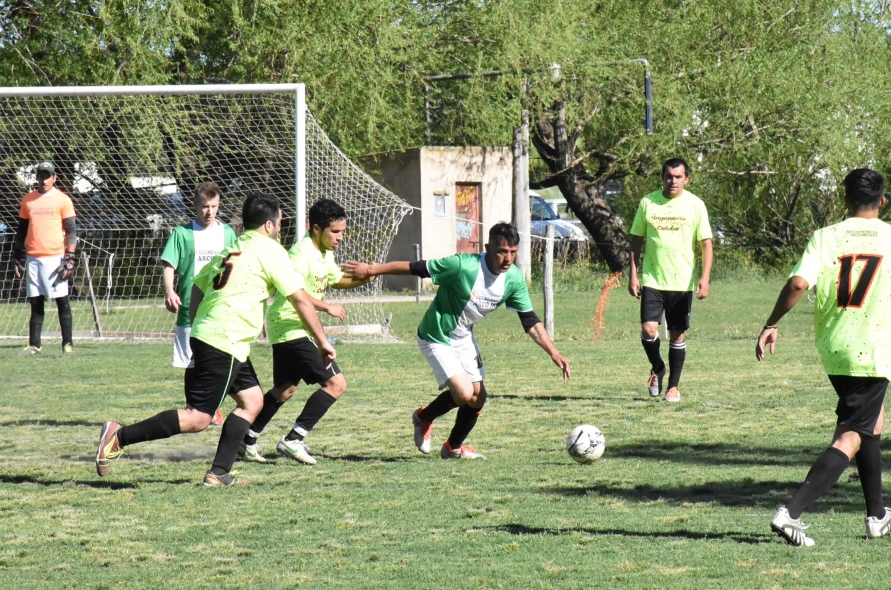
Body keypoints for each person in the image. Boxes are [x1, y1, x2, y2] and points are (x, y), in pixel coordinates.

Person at [95, 193, 335, 486]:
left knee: (252, 400)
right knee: (198, 418)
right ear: (270, 226)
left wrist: (198, 323)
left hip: (215, 336)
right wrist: (323, 341)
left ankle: (219, 472)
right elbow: (301, 300)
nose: (281, 228)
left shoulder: (232, 248)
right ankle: (118, 436)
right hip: (225, 339)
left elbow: (197, 285)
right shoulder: (271, 251)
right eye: (281, 222)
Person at [756, 168, 891, 547]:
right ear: (883, 201)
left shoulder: (826, 237)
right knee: (852, 434)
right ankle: (791, 514)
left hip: (835, 346)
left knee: (871, 422)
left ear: (844, 199)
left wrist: (772, 322)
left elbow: (798, 284)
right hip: (872, 350)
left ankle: (877, 515)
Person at [342, 221, 571, 460]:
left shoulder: (513, 279)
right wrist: (372, 269)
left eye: (513, 252)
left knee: (478, 398)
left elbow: (529, 320)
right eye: (502, 251)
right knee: (463, 393)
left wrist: (554, 353)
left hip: (462, 337)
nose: (507, 258)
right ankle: (424, 417)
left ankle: (452, 447)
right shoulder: (463, 265)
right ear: (487, 247)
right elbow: (417, 268)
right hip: (435, 334)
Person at [240, 198, 369, 465]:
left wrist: (370, 274)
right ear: (315, 228)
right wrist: (327, 306)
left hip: (292, 329)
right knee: (336, 384)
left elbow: (337, 279)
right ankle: (293, 439)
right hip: (290, 326)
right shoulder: (300, 255)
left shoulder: (324, 252)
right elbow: (294, 296)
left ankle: (247, 439)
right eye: (335, 232)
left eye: (342, 231)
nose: (340, 237)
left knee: (284, 390)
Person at [628, 157, 713, 402]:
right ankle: (658, 367)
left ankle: (673, 387)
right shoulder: (648, 202)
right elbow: (636, 241)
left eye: (678, 177)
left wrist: (704, 278)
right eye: (668, 176)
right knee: (648, 329)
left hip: (682, 281)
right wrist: (633, 274)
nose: (672, 181)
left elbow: (706, 244)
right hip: (652, 278)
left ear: (686, 179)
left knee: (677, 335)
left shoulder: (696, 205)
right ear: (662, 177)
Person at [160, 182, 237, 426]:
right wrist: (170, 291)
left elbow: (235, 266)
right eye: (205, 206)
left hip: (219, 309)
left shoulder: (228, 233)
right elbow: (169, 265)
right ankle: (193, 407)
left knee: (218, 358)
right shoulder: (182, 234)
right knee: (191, 362)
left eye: (214, 206)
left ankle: (211, 408)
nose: (210, 212)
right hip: (189, 310)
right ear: (195, 206)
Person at [12, 161, 78, 355]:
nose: (44, 180)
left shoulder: (63, 200)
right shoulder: (28, 200)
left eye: (47, 176)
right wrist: (17, 255)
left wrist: (70, 256)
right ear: (37, 178)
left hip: (55, 258)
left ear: (54, 178)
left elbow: (72, 230)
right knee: (35, 302)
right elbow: (21, 230)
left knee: (62, 301)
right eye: (41, 176)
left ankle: (67, 343)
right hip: (33, 257)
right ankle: (35, 345)